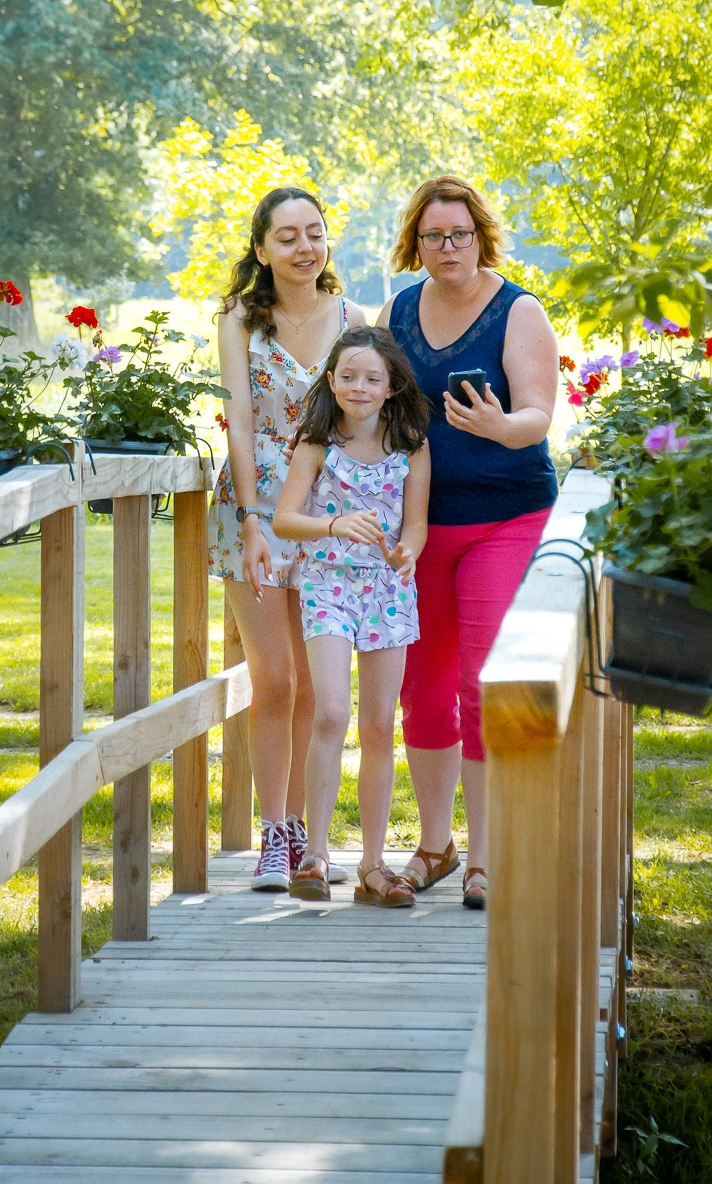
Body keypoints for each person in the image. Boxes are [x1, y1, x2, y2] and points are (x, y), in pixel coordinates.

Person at [378, 176, 558, 910]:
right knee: (421, 690)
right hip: (420, 526)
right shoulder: (398, 310)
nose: (446, 247)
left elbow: (539, 415)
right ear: (415, 244)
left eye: (458, 234)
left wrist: (498, 427)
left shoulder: (519, 311)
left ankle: (486, 856)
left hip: (505, 517)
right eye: (432, 236)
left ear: (481, 235)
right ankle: (435, 846)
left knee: (481, 681)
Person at [208, 187, 367, 889]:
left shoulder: (353, 319)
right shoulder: (241, 319)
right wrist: (249, 518)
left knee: (315, 687)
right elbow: (240, 422)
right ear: (262, 248)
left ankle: (304, 831)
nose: (305, 248)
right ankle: (273, 832)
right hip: (255, 510)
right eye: (288, 237)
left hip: (325, 516)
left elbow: (362, 423)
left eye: (316, 233)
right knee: (274, 677)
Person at [271, 326, 431, 906]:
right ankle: (314, 857)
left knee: (379, 726)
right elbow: (287, 519)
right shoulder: (317, 441)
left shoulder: (411, 443)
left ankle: (371, 864)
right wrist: (335, 525)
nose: (358, 387)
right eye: (347, 376)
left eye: (371, 378)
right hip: (327, 585)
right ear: (331, 381)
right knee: (331, 712)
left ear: (391, 387)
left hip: (388, 589)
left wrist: (406, 551)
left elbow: (416, 522)